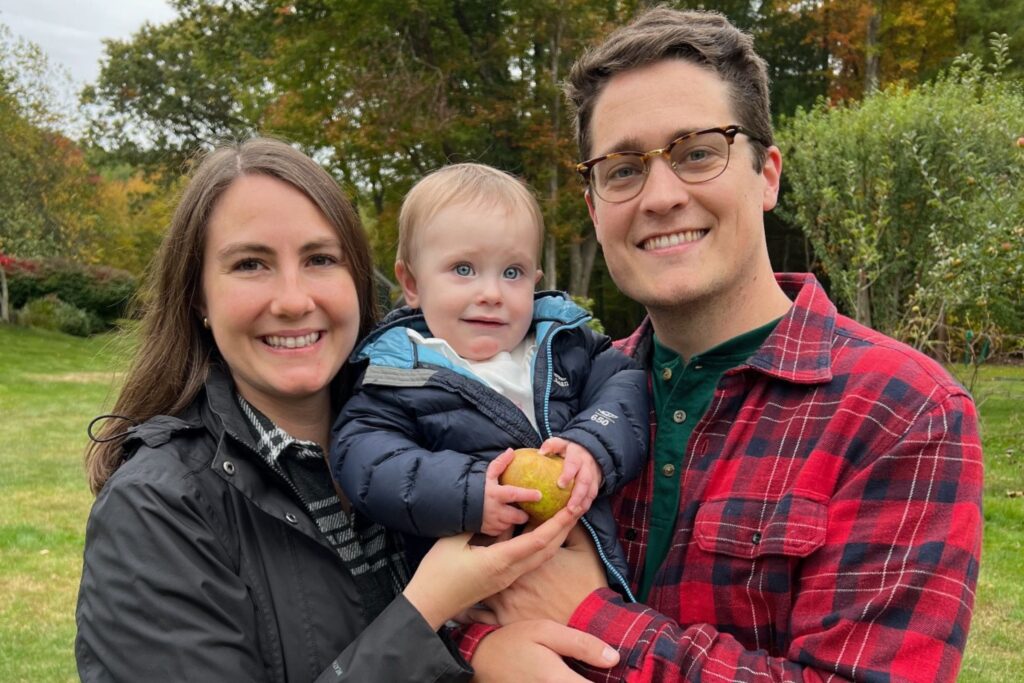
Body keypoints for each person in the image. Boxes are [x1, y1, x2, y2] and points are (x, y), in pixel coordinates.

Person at [462, 8, 984, 682]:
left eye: (697, 153)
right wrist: (483, 653)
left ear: (766, 174)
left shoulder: (902, 410)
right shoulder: (557, 393)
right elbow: (457, 600)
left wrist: (590, 616)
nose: (660, 195)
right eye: (622, 170)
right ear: (594, 207)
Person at [75, 138, 620, 682]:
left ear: (357, 280)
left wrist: (486, 654)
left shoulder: (427, 419)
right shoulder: (157, 509)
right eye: (250, 263)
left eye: (319, 259)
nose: (292, 300)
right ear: (198, 298)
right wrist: (426, 611)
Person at [330, 163, 648, 596]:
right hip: (474, 602)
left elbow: (625, 385)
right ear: (412, 283)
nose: (491, 293)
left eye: (512, 273)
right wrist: (470, 491)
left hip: (590, 582)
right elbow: (366, 458)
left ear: (535, 283)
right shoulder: (399, 372)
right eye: (463, 269)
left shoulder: (563, 346)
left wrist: (592, 444)